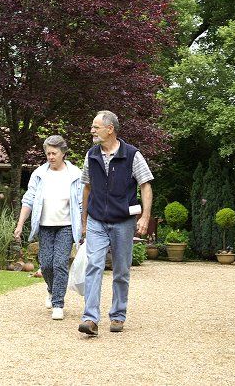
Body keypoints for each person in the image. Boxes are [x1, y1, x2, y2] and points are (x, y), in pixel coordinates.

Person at [78, 110, 153, 336]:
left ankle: (118, 314)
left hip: (123, 221)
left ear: (110, 129)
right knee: (94, 266)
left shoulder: (132, 155)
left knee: (121, 270)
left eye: (96, 126)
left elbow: (146, 185)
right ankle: (90, 318)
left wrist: (145, 218)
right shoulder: (91, 155)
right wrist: (84, 219)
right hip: (97, 220)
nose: (92, 130)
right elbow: (87, 187)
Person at [14, 135, 82, 321]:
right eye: (48, 153)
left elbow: (83, 203)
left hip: (66, 226)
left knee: (60, 263)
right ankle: (52, 290)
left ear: (63, 153)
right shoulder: (39, 174)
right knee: (46, 264)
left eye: (54, 153)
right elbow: (28, 200)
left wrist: (84, 226)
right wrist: (20, 224)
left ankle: (58, 303)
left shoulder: (75, 174)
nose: (51, 156)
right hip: (44, 226)